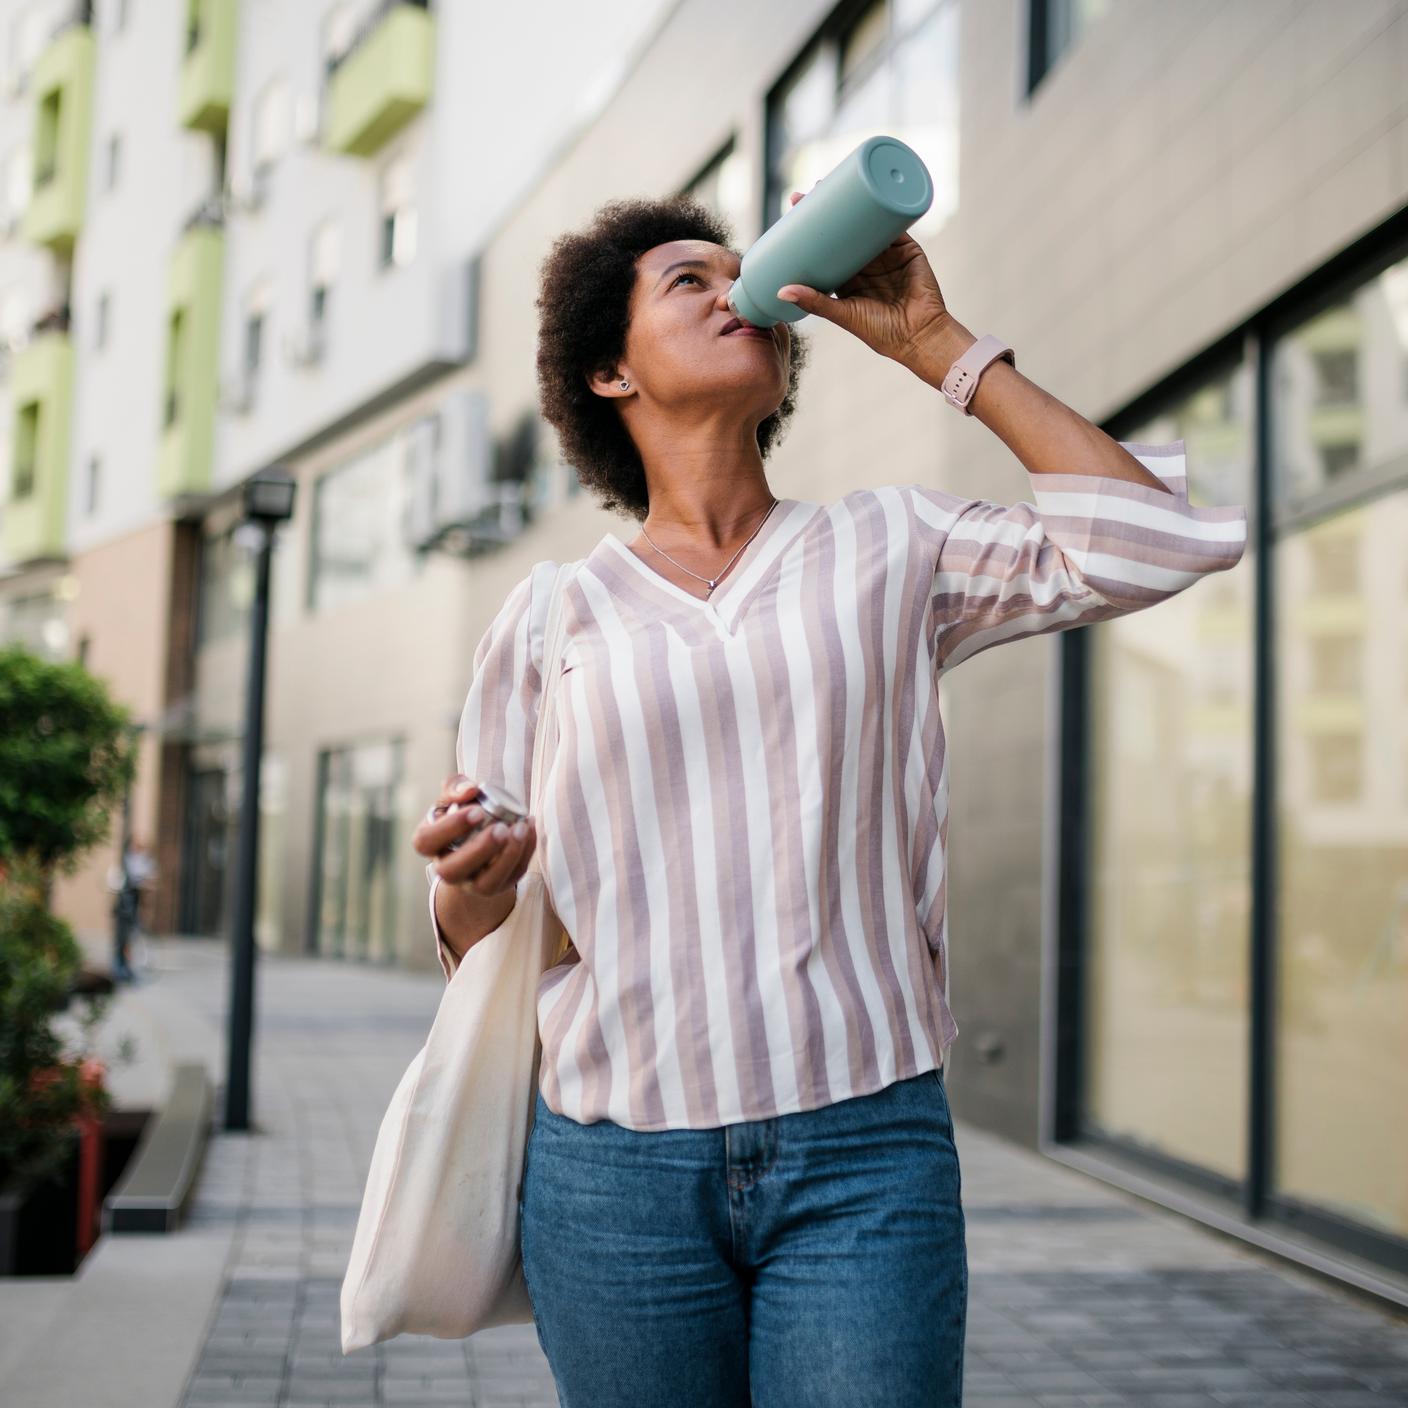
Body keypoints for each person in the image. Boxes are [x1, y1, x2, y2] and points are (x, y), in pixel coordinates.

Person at [412, 191, 1248, 1406]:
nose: (725, 290)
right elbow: (493, 941)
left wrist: (936, 346)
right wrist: (464, 888)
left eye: (735, 274)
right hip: (615, 1174)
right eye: (683, 281)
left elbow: (1149, 544)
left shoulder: (891, 548)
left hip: (864, 1155)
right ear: (607, 369)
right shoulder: (547, 619)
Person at [110, 836, 157, 982]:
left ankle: (126, 968)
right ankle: (120, 967)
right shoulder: (125, 863)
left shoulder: (143, 861)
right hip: (125, 908)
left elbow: (150, 881)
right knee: (122, 939)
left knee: (131, 938)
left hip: (134, 906)